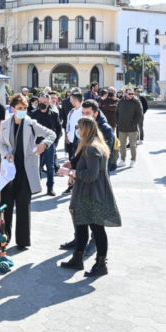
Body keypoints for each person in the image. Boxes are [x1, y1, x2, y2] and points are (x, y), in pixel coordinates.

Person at [57, 117, 121, 276]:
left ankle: (101, 264)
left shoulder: (92, 148)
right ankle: (77, 259)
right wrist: (73, 168)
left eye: (79, 127)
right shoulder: (90, 144)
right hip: (87, 193)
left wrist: (71, 172)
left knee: (97, 228)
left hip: (92, 194)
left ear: (85, 129)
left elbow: (92, 175)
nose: (77, 130)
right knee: (81, 225)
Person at [0, 94, 56, 249]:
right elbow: (1, 144)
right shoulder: (5, 124)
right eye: (19, 108)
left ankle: (23, 241)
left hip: (25, 171)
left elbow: (52, 134)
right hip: (9, 170)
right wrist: (6, 154)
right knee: (5, 205)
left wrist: (44, 144)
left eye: (24, 108)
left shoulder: (31, 123)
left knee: (23, 206)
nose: (22, 110)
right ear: (12, 109)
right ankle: (3, 236)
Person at [58, 99, 115, 252]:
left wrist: (74, 172)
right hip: (82, 177)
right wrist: (72, 167)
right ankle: (79, 240)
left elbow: (102, 158)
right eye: (83, 113)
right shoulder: (83, 126)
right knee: (78, 211)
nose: (84, 116)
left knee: (94, 217)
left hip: (95, 180)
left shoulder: (104, 129)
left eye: (88, 113)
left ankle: (94, 244)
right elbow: (80, 151)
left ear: (96, 113)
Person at [30, 93, 62, 196]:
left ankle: (50, 188)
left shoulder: (54, 115)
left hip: (49, 144)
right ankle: (36, 187)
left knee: (50, 166)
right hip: (36, 144)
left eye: (44, 102)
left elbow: (58, 130)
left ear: (49, 103)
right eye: (40, 102)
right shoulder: (32, 114)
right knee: (36, 166)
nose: (42, 104)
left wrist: (54, 142)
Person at [115, 89, 144, 167]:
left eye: (132, 93)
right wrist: (117, 122)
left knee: (133, 145)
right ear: (125, 93)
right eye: (129, 93)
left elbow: (139, 114)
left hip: (132, 128)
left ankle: (133, 160)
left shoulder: (136, 102)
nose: (131, 95)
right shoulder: (121, 101)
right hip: (122, 127)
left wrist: (134, 123)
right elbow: (117, 112)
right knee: (122, 145)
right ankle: (122, 160)